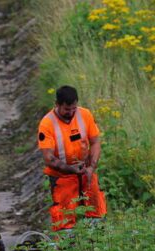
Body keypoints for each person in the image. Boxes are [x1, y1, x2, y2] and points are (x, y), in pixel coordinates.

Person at [38, 85, 106, 231]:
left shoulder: (85, 115)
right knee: (64, 220)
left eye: (73, 108)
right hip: (62, 178)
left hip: (86, 173)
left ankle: (97, 244)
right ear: (57, 104)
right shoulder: (47, 123)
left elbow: (95, 142)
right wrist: (71, 169)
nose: (71, 113)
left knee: (96, 213)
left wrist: (91, 167)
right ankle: (67, 250)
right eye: (67, 109)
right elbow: (49, 158)